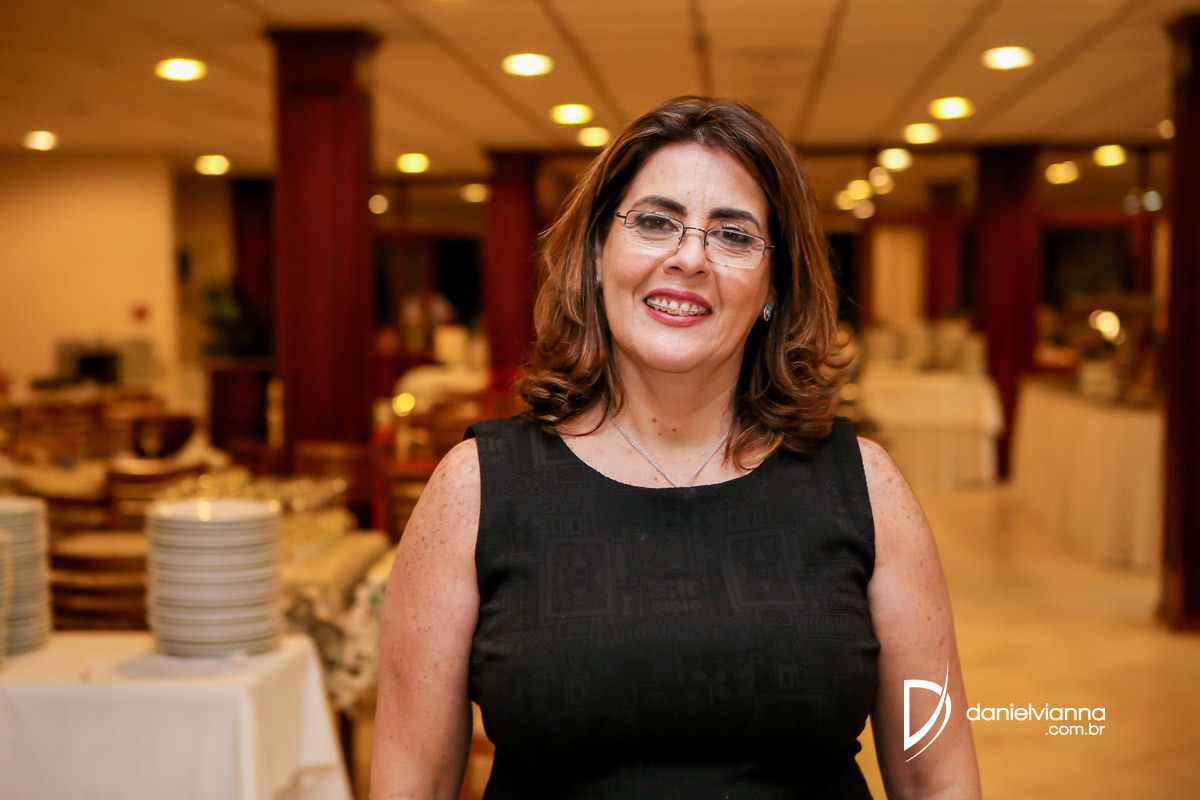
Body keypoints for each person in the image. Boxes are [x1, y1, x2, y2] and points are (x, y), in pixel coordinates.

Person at [371, 96, 981, 799]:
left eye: (734, 235)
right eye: (655, 222)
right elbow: (411, 784)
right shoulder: (476, 489)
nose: (689, 257)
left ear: (774, 286)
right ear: (597, 255)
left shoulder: (865, 488)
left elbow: (937, 779)